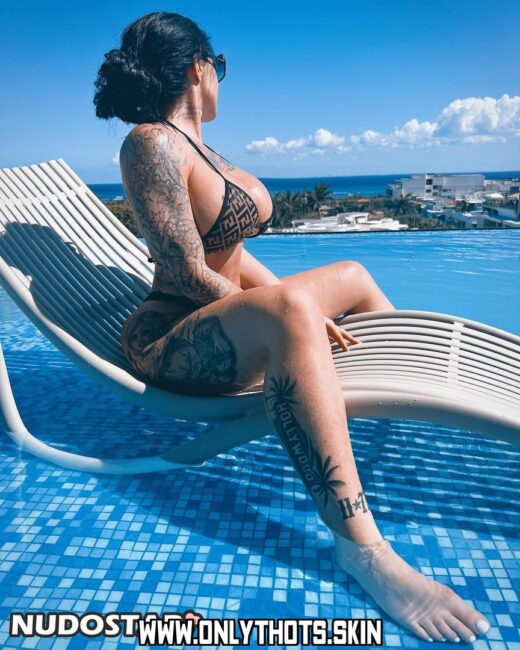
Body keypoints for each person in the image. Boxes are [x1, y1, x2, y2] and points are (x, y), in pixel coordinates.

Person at [94, 11, 490, 643]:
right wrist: (285, 313)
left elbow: (233, 255)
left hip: (222, 317)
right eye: (220, 67)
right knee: (291, 309)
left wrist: (288, 302)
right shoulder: (150, 142)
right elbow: (186, 270)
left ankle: (393, 398)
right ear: (198, 68)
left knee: (352, 275)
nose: (220, 80)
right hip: (171, 337)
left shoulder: (200, 148)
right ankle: (363, 550)